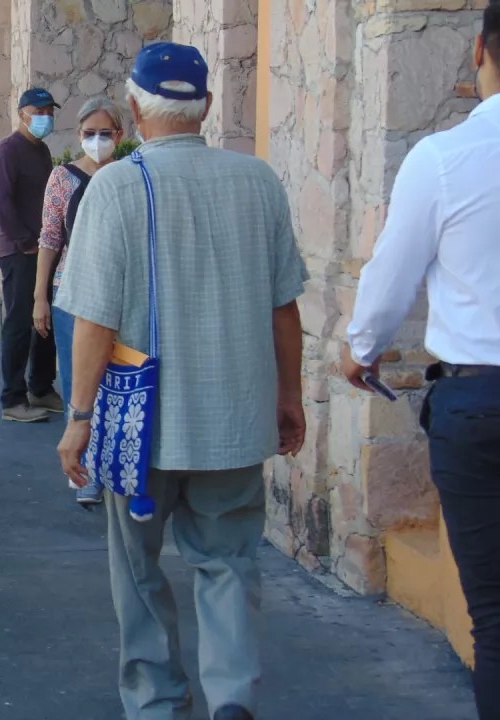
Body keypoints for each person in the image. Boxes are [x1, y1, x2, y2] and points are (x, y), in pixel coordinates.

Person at [55, 42, 307, 720]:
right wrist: (288, 398)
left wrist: (78, 417)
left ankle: (159, 702)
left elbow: (93, 323)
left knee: (137, 573)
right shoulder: (258, 181)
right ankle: (231, 700)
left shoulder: (113, 187)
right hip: (234, 418)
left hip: (141, 431)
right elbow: (285, 308)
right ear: (208, 107)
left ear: (135, 110)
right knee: (228, 563)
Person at [341, 5, 500, 716]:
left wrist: (361, 349)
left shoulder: (444, 159)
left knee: (494, 617)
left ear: (478, 52)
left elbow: (390, 277)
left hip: (480, 407)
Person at [33, 96, 127, 508]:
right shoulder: (63, 179)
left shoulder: (130, 176)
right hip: (72, 291)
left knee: (122, 381)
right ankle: (85, 471)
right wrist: (40, 296)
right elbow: (50, 238)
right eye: (90, 134)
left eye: (105, 134)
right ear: (78, 136)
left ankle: (121, 467)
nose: (98, 141)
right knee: (77, 382)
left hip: (124, 292)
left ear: (120, 135)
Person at [0, 87, 62, 423]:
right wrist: (24, 242)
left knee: (45, 320)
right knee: (20, 323)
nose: (46, 117)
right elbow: (2, 202)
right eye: (39, 111)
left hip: (45, 249)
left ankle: (41, 387)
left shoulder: (42, 150)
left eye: (50, 111)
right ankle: (13, 398)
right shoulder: (8, 151)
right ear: (22, 113)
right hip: (20, 252)